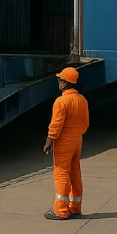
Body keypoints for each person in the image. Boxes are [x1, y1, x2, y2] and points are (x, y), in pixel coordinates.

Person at [43, 66, 89, 221]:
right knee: (75, 172)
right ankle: (75, 208)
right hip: (77, 141)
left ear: (65, 83)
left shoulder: (61, 101)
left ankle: (61, 210)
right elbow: (86, 123)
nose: (59, 82)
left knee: (61, 173)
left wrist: (49, 141)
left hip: (64, 141)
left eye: (60, 80)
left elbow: (56, 124)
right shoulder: (82, 100)